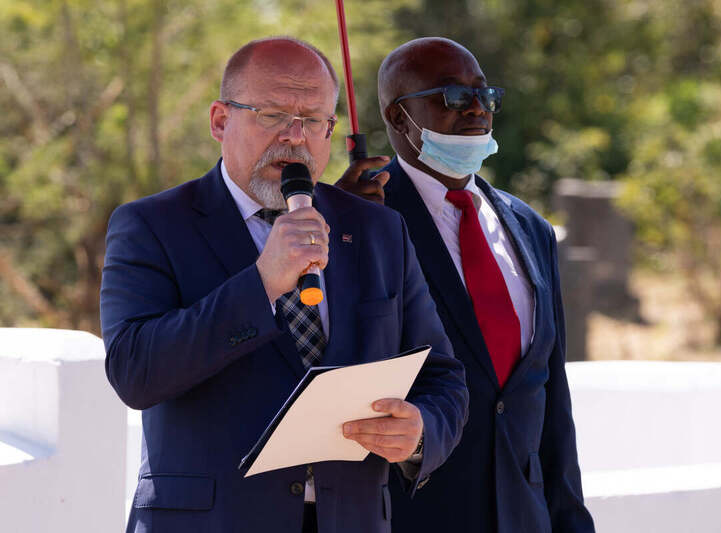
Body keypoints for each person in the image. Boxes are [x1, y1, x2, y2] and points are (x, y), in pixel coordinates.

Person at [100, 37, 468, 533]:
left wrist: (420, 432)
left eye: (313, 120)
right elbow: (134, 372)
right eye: (272, 115)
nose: (294, 137)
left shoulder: (379, 230)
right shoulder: (152, 225)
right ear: (220, 120)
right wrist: (262, 283)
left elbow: (442, 376)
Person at [340, 37, 594, 532]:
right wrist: (343, 231)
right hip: (409, 515)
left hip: (523, 515)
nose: (477, 109)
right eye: (454, 97)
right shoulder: (359, 216)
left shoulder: (530, 228)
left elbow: (550, 398)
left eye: (486, 95)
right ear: (398, 117)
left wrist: (570, 521)